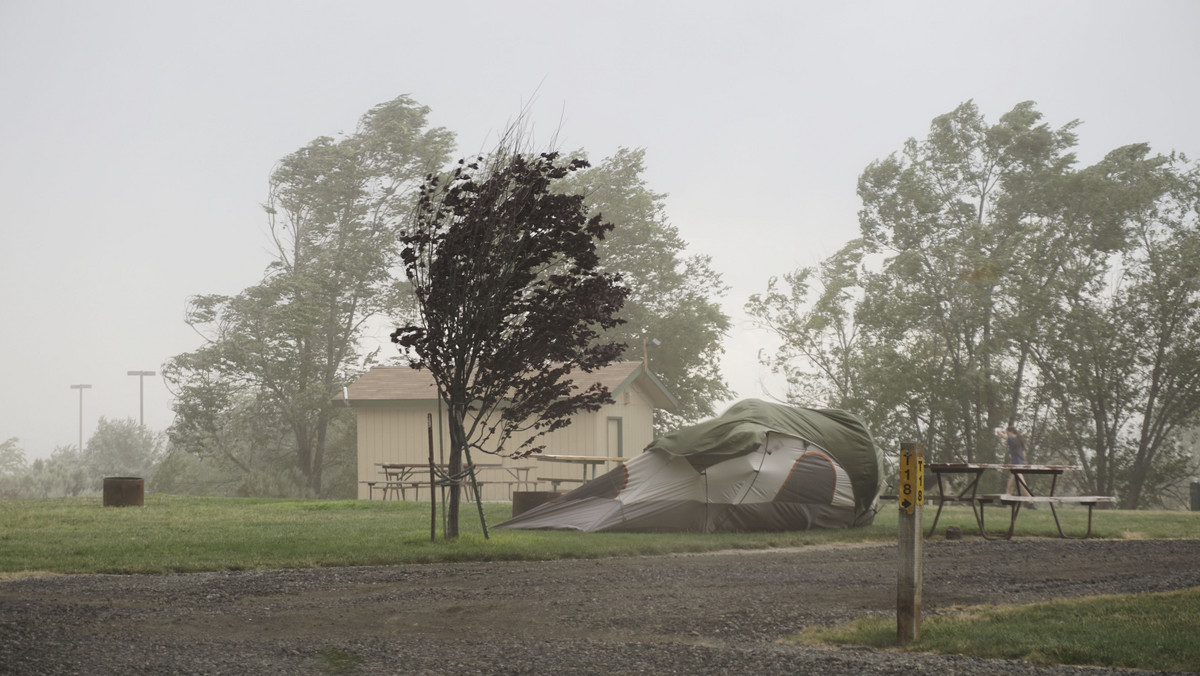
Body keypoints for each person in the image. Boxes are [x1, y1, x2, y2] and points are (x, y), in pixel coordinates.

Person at [999, 424, 1030, 497]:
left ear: (1011, 432)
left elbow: (998, 432)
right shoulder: (1019, 439)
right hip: (1021, 463)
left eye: (1007, 432)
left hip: (1016, 464)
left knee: (1021, 483)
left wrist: (1004, 431)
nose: (1007, 434)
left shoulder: (1011, 439)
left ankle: (1030, 500)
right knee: (1010, 485)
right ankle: (1006, 501)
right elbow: (1024, 454)